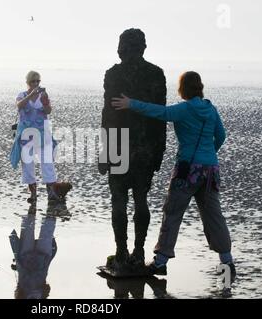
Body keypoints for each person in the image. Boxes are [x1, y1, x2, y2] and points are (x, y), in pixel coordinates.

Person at [112, 71, 236, 279]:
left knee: (172, 212)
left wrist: (130, 103)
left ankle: (160, 262)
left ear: (183, 89)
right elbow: (221, 136)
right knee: (214, 215)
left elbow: (159, 112)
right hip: (211, 171)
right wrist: (208, 155)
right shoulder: (210, 109)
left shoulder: (184, 110)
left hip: (188, 171)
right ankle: (227, 261)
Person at [100, 29, 167, 269]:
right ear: (143, 47)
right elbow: (161, 114)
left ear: (123, 48)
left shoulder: (113, 74)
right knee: (141, 198)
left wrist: (104, 152)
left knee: (118, 200)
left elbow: (108, 114)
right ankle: (138, 252)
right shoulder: (156, 74)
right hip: (147, 146)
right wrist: (160, 150)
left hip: (118, 143)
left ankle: (121, 252)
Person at [10, 71, 71, 209]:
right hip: (26, 135)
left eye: (38, 81)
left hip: (43, 134)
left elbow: (48, 111)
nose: (36, 84)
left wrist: (45, 103)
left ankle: (51, 192)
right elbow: (19, 105)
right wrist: (31, 95)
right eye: (33, 81)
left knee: (47, 163)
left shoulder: (43, 95)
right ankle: (33, 194)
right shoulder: (22, 95)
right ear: (28, 82)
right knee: (28, 165)